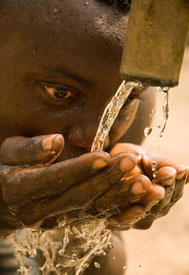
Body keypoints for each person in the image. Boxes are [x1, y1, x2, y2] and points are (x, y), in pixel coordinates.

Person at [0, 0, 188, 274]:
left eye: (126, 101)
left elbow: (101, 266)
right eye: (60, 94)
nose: (92, 141)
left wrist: (92, 214)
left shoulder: (126, 97)